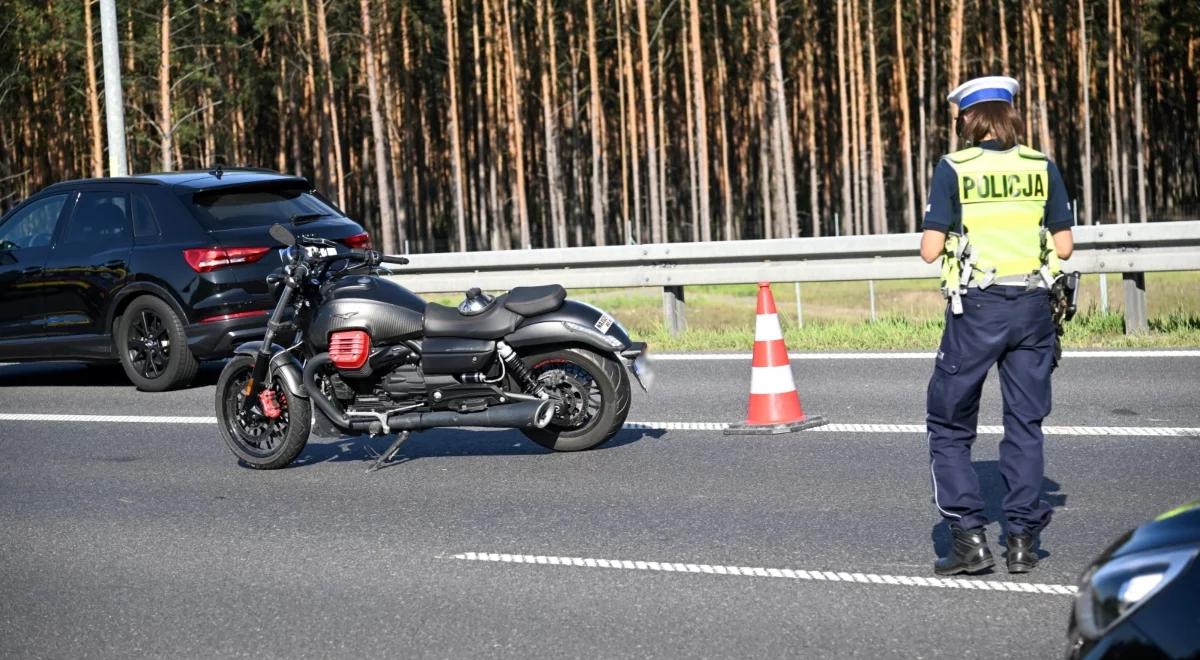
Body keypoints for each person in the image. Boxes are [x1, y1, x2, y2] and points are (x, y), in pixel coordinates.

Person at [920, 76, 1074, 575]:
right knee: (1024, 424)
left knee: (948, 424)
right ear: (1009, 115)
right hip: (1033, 306)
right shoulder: (1040, 165)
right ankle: (1023, 541)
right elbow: (1065, 246)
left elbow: (928, 250)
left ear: (968, 118)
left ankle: (969, 540)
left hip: (978, 309)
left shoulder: (954, 167)